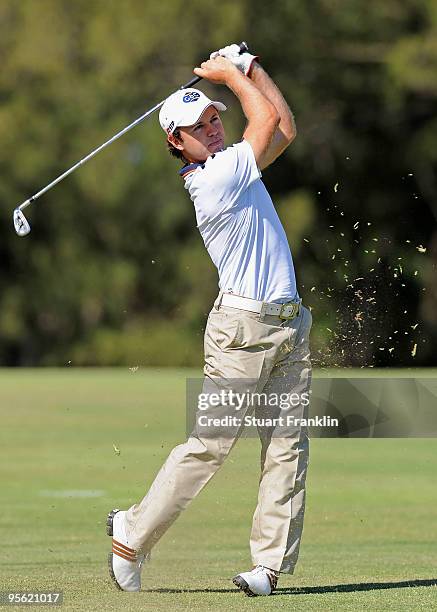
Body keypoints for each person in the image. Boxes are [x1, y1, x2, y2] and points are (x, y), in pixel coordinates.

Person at [107, 44, 312, 597]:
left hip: (290, 327)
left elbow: (284, 128)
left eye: (216, 116)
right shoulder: (215, 179)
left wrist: (251, 69)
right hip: (242, 333)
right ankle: (131, 535)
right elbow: (264, 118)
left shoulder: (237, 166)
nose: (213, 128)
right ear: (177, 141)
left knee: (287, 448)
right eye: (199, 125)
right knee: (210, 446)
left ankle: (267, 568)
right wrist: (231, 72)